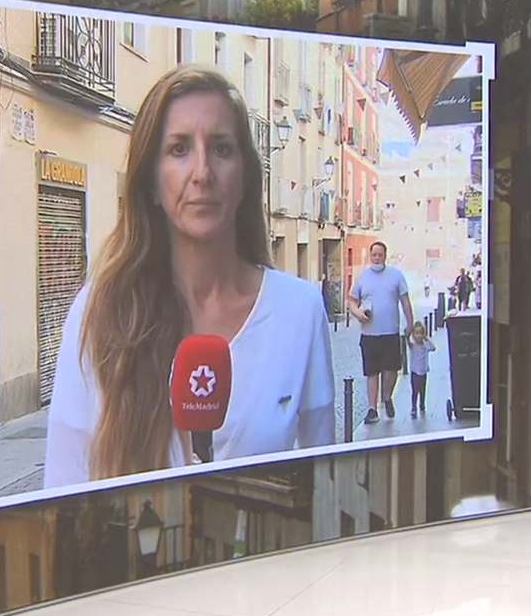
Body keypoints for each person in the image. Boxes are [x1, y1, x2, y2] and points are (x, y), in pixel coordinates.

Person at [43, 64, 335, 488]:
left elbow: (322, 487)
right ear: (150, 185)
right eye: (179, 149)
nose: (202, 173)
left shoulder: (301, 312)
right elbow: (63, 489)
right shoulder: (99, 312)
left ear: (246, 178)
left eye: (221, 148)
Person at [347, 241, 414, 424]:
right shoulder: (363, 277)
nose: (377, 258)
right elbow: (352, 301)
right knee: (372, 372)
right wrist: (357, 313)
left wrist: (410, 323)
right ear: (371, 256)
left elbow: (405, 301)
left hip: (390, 332)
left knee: (391, 369)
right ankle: (372, 409)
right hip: (369, 334)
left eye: (380, 255)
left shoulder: (396, 275)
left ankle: (387, 396)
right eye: (374, 255)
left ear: (385, 256)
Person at [406, 321, 437, 418]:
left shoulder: (425, 345)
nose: (419, 336)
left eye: (421, 333)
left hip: (423, 372)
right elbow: (407, 340)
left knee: (423, 390)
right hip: (415, 371)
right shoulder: (413, 346)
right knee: (415, 391)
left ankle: (422, 406)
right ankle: (414, 408)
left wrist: (427, 338)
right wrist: (408, 333)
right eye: (416, 333)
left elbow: (433, 348)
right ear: (414, 335)